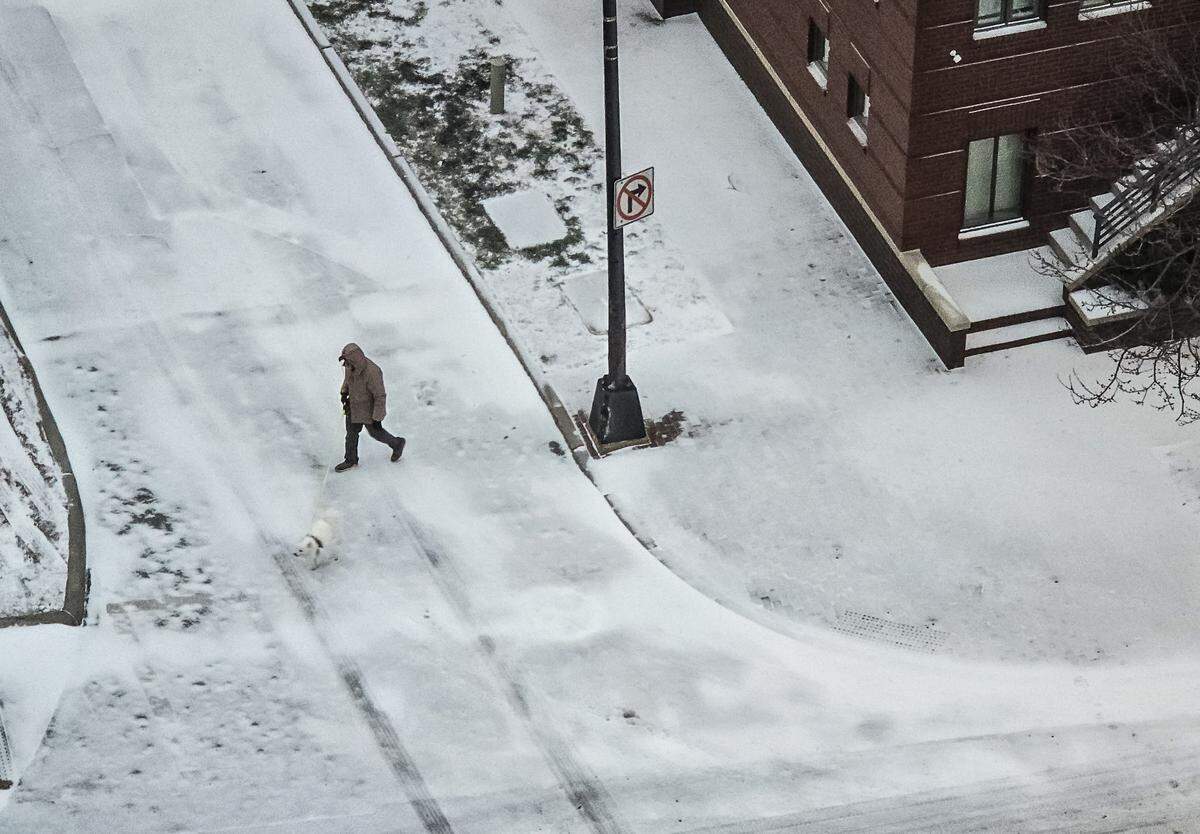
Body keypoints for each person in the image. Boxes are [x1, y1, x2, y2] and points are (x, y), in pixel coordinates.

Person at [335, 343, 405, 472]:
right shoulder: (350, 366)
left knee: (375, 433)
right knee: (351, 434)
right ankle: (350, 460)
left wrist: (377, 417)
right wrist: (344, 392)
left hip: (369, 410)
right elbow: (347, 380)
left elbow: (380, 396)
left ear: (355, 359)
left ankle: (397, 443)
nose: (345, 364)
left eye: (347, 360)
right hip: (353, 406)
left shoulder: (372, 372)